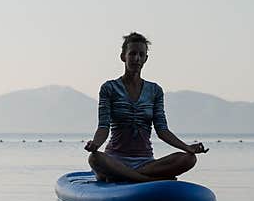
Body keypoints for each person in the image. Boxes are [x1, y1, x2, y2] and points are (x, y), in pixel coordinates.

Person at [85, 32, 208, 183]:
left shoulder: (155, 90)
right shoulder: (109, 88)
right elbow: (103, 126)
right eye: (132, 54)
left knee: (189, 159)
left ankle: (126, 175)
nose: (136, 58)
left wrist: (187, 148)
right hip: (115, 160)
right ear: (123, 56)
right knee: (95, 158)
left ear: (146, 59)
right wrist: (95, 144)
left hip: (146, 163)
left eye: (141, 55)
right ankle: (145, 180)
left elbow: (162, 130)